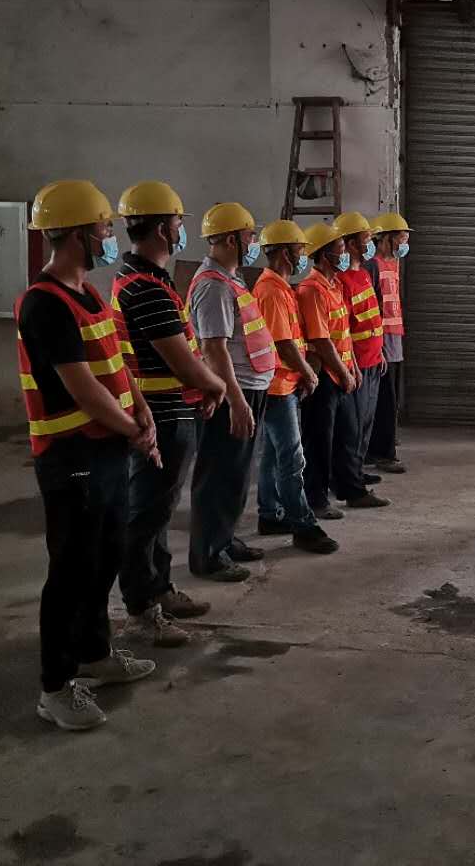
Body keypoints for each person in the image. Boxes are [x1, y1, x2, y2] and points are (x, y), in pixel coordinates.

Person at [16, 180, 159, 732]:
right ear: (78, 234)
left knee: (105, 557)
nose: (109, 236)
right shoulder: (44, 304)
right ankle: (55, 687)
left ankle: (96, 654)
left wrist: (141, 411)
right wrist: (135, 431)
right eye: (103, 228)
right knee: (71, 571)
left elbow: (116, 368)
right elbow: (82, 389)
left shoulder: (91, 295)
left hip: (109, 449)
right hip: (71, 454)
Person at [111, 181, 228, 647]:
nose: (182, 230)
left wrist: (202, 390)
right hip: (162, 415)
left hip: (170, 409)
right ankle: (141, 609)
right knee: (146, 515)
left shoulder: (143, 279)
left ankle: (158, 589)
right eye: (179, 222)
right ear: (162, 229)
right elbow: (181, 360)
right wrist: (215, 385)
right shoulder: (148, 289)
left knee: (157, 512)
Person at [186, 202, 276, 582]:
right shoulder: (213, 286)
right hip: (230, 394)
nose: (253, 243)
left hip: (247, 389)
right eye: (248, 236)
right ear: (228, 240)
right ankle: (208, 553)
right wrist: (236, 402)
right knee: (219, 474)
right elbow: (214, 349)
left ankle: (224, 539)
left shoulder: (231, 280)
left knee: (237, 474)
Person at [252, 220, 338, 555]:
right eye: (300, 249)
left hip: (282, 383)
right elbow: (283, 343)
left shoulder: (280, 287)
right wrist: (309, 373)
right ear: (285, 252)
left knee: (273, 455)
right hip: (277, 386)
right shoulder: (272, 291)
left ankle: (269, 514)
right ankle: (303, 525)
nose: (304, 255)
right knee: (292, 458)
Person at [296, 221, 388, 517]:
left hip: (343, 371)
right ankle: (316, 499)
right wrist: (344, 371)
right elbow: (321, 341)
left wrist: (353, 368)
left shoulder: (333, 285)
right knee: (319, 441)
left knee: (348, 435)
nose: (345, 253)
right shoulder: (312, 289)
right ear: (325, 255)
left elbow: (344, 334)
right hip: (324, 375)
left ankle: (352, 490)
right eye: (340, 248)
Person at [331, 211, 390, 491]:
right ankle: (348, 479)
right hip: (358, 363)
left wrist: (381, 353)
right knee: (352, 428)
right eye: (366, 239)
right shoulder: (342, 281)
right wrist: (352, 365)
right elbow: (343, 328)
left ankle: (357, 469)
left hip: (373, 359)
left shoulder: (364, 274)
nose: (370, 244)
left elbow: (372, 318)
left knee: (366, 421)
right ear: (352, 244)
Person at [366, 211, 411, 474]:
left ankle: (381, 447)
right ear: (385, 238)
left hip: (394, 340)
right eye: (400, 238)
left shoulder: (393, 264)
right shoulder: (372, 266)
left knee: (389, 399)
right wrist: (379, 345)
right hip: (381, 343)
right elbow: (371, 309)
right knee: (384, 400)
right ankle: (383, 453)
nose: (404, 244)